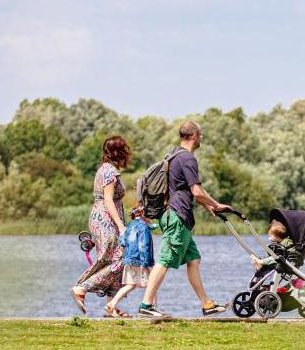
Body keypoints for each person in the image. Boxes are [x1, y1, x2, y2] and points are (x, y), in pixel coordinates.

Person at [138, 121, 232, 318]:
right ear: (195, 135)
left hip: (176, 215)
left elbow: (189, 190)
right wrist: (216, 204)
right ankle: (146, 305)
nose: (202, 138)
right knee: (164, 260)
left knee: (193, 259)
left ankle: (207, 304)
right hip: (177, 216)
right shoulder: (188, 159)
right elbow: (196, 191)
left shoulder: (174, 155)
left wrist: (208, 207)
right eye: (201, 135)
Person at [71, 136, 132, 317]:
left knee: (111, 259)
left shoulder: (105, 169)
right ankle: (81, 287)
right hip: (106, 220)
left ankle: (111, 307)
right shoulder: (110, 172)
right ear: (119, 152)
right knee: (119, 259)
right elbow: (108, 200)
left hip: (102, 218)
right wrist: (121, 226)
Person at [106, 208, 155, 318]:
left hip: (129, 260)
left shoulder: (131, 226)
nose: (151, 218)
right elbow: (144, 245)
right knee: (153, 283)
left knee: (131, 285)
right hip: (141, 260)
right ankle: (151, 308)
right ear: (143, 215)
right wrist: (145, 263)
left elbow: (123, 242)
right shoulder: (143, 227)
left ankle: (112, 304)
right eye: (150, 215)